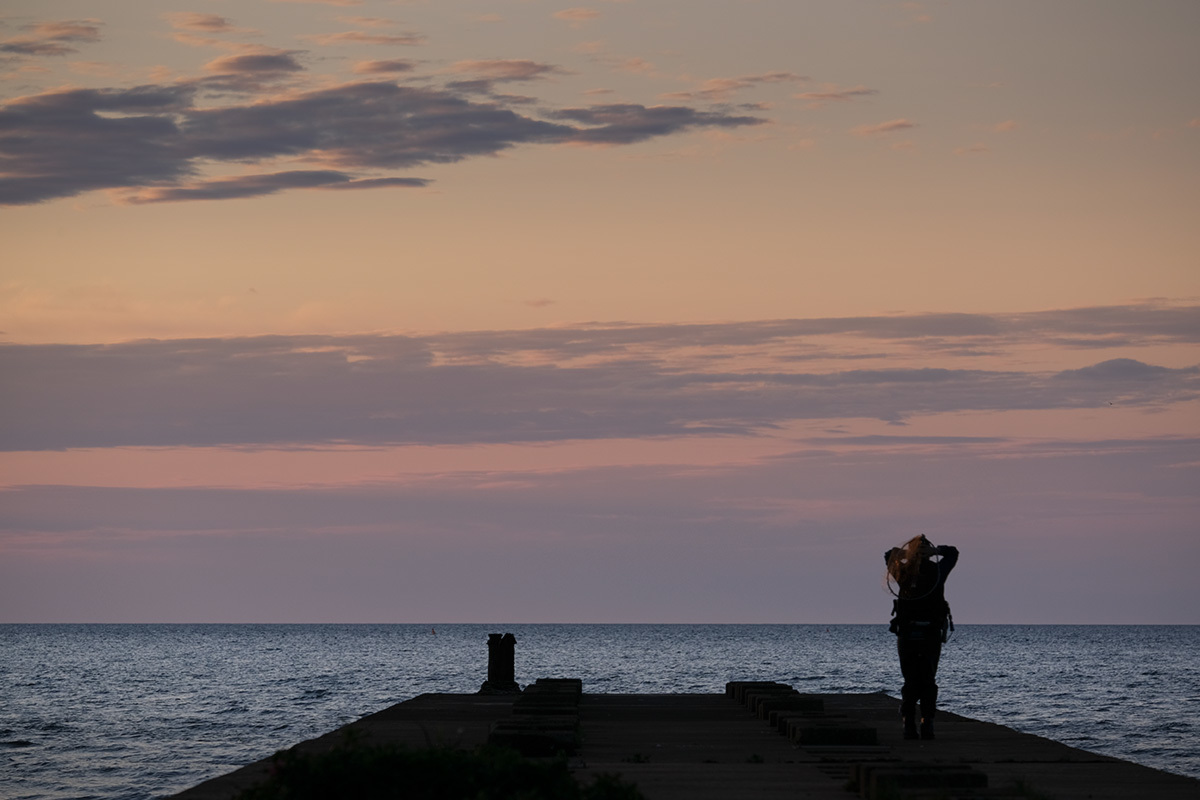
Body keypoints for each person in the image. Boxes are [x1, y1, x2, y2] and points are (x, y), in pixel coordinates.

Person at [885, 535, 958, 740]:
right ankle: (925, 723)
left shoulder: (905, 572)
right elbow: (953, 553)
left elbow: (889, 555)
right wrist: (936, 552)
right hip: (926, 634)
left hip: (911, 634)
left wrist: (910, 553)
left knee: (912, 679)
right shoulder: (937, 572)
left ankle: (914, 723)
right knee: (927, 679)